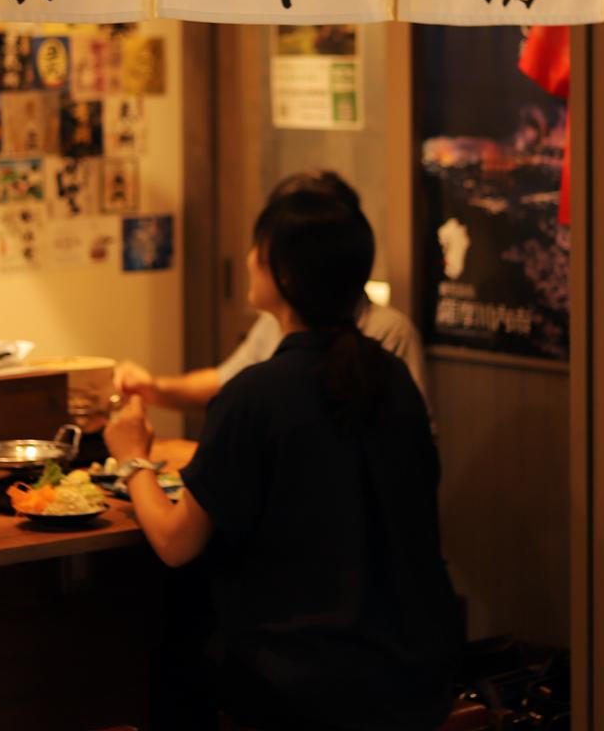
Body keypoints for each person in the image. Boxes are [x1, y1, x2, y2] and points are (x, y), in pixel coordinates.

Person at [105, 175, 462, 731]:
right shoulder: (389, 376)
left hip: (303, 680)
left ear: (285, 275)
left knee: (173, 626)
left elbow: (175, 541)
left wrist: (132, 458)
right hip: (413, 667)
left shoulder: (258, 394)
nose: (248, 259)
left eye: (258, 250)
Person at [114, 172, 430, 410]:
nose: (251, 258)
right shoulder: (277, 323)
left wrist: (133, 462)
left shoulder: (387, 333)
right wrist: (154, 388)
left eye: (265, 246)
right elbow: (224, 381)